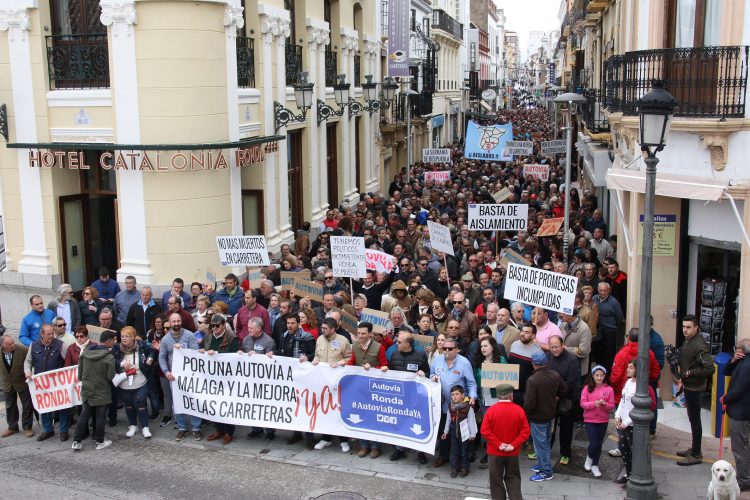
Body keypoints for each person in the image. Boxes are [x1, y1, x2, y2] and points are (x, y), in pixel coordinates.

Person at [430, 336, 477, 468]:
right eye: (444, 348)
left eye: (450, 348)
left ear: (457, 350)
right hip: (443, 404)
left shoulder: (464, 363)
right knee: (444, 431)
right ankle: (443, 456)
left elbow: (471, 384)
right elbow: (431, 373)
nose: (447, 351)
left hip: (460, 406)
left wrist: (472, 397)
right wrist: (433, 376)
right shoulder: (437, 360)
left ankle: (463, 460)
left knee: (461, 434)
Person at [676, 314, 715, 466]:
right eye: (683, 327)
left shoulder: (700, 345)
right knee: (693, 418)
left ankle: (696, 454)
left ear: (696, 328)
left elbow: (709, 368)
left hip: (695, 387)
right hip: (689, 385)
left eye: (688, 327)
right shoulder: (689, 340)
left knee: (695, 419)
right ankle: (694, 448)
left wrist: (690, 373)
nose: (685, 330)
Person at [481, 384, 530, 500]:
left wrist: (498, 444)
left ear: (498, 396)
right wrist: (513, 445)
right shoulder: (519, 410)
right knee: (513, 478)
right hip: (512, 453)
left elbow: (484, 430)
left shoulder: (491, 410)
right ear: (511, 395)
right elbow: (526, 431)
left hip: (495, 452)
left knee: (496, 480)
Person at [309, 318, 352, 452]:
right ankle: (326, 438)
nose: (322, 330)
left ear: (333, 329)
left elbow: (350, 358)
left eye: (325, 328)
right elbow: (317, 355)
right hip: (323, 381)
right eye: (322, 328)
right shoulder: (319, 339)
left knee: (338, 409)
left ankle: (343, 440)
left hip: (337, 382)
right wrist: (315, 360)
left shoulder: (343, 341)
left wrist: (339, 363)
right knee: (324, 410)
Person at [386, 331, 429, 463]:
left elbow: (427, 371)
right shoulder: (394, 354)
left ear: (408, 344)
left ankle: (420, 452)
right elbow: (390, 371)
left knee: (416, 423)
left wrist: (424, 372)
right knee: (399, 422)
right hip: (398, 397)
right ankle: (399, 449)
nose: (396, 344)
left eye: (399, 342)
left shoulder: (420, 355)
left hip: (414, 397)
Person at [159, 312, 202, 442]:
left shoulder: (189, 335)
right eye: (174, 321)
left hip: (190, 375)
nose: (176, 324)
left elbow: (195, 352)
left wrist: (182, 347)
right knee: (177, 402)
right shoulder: (166, 339)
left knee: (194, 401)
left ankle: (196, 428)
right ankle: (182, 428)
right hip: (175, 377)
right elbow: (162, 357)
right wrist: (167, 372)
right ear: (170, 323)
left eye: (178, 321)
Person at [524, 351, 566, 482]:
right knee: (546, 443)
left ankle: (546, 472)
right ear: (546, 363)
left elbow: (529, 403)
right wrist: (555, 397)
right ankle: (542, 465)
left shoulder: (533, 380)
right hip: (550, 415)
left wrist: (528, 412)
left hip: (537, 418)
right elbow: (564, 389)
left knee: (540, 445)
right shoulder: (554, 374)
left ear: (533, 364)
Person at [71, 330, 116, 451]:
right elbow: (110, 377)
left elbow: (80, 374)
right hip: (102, 390)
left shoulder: (84, 353)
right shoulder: (109, 357)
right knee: (100, 415)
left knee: (84, 415)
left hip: (87, 389)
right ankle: (99, 441)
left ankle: (76, 441)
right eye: (114, 340)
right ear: (109, 341)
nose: (115, 342)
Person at [348, 321, 388, 458]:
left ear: (370, 334)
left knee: (374, 417)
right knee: (361, 416)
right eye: (358, 333)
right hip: (359, 387)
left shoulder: (379, 347)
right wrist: (342, 364)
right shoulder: (354, 346)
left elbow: (385, 367)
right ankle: (364, 445)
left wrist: (372, 369)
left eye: (363, 333)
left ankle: (376, 446)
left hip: (374, 388)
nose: (360, 336)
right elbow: (352, 363)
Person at [614, 359, 657, 485]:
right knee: (623, 448)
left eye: (631, 368)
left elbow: (639, 407)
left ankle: (635, 477)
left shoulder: (643, 386)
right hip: (622, 423)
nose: (627, 370)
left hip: (633, 425)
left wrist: (626, 422)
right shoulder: (628, 382)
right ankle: (628, 474)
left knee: (635, 451)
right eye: (628, 367)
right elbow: (623, 401)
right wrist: (617, 416)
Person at [24, 324, 69, 441]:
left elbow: (68, 362)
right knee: (44, 406)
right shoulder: (33, 346)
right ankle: (48, 429)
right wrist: (28, 372)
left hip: (58, 382)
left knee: (62, 406)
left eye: (52, 333)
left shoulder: (61, 345)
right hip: (41, 384)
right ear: (41, 334)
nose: (51, 336)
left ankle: (64, 430)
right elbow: (27, 362)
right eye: (48, 334)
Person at [111, 326, 155, 440]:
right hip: (124, 382)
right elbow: (110, 360)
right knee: (129, 405)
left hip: (140, 380)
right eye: (122, 336)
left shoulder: (140, 344)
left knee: (141, 403)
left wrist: (149, 360)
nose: (124, 338)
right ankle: (133, 426)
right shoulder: (117, 347)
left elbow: (151, 350)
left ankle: (145, 427)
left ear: (133, 337)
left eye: (127, 336)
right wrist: (121, 364)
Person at [201, 315, 239, 445]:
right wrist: (202, 352)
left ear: (223, 325)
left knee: (226, 405)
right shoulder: (208, 337)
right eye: (212, 326)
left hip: (226, 378)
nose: (214, 328)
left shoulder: (232, 338)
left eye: (217, 325)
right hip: (212, 377)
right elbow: (202, 349)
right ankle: (218, 429)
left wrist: (216, 353)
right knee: (215, 403)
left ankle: (229, 432)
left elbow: (234, 356)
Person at [546, 335, 580, 466]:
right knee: (550, 426)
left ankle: (565, 453)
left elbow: (571, 382)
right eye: (552, 347)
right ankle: (547, 449)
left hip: (566, 398)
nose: (554, 350)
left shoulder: (572, 360)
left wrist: (559, 395)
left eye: (557, 347)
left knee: (566, 428)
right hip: (551, 398)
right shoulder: (548, 357)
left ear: (563, 346)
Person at [722, 338, 750, 492]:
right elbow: (726, 372)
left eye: (737, 348)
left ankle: (744, 480)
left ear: (742, 350)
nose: (735, 350)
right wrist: (732, 361)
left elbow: (738, 390)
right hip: (742, 411)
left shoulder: (746, 365)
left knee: (740, 448)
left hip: (741, 413)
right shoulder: (741, 361)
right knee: (744, 446)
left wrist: (725, 398)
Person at [580, 365, 615, 478]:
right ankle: (589, 459)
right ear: (593, 376)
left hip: (603, 420)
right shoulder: (586, 388)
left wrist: (605, 404)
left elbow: (612, 406)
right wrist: (593, 404)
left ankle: (595, 465)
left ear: (605, 376)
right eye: (597, 375)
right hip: (590, 419)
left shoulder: (609, 389)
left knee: (599, 443)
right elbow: (582, 404)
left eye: (601, 375)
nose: (599, 377)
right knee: (593, 442)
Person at [610, 328, 660, 404]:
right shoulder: (649, 353)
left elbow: (616, 376)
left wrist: (613, 388)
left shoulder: (621, 354)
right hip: (643, 392)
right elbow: (655, 372)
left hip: (623, 394)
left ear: (629, 338)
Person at [1, 335, 34, 438]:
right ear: (3, 345)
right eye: (9, 344)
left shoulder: (23, 350)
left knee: (27, 405)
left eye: (13, 342)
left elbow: (32, 361)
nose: (12, 345)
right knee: (10, 406)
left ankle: (27, 427)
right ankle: (12, 427)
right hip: (8, 384)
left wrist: (30, 373)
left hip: (22, 383)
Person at [442, 385, 477, 478]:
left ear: (462, 395)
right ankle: (454, 467)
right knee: (454, 450)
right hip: (454, 431)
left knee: (464, 450)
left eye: (457, 394)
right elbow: (448, 420)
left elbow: (471, 421)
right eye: (452, 394)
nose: (454, 396)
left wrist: (473, 433)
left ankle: (465, 467)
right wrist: (445, 432)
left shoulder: (468, 407)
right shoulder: (450, 406)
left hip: (464, 432)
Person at [592, 282, 623, 371]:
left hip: (609, 332)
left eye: (605, 290)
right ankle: (599, 371)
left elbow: (619, 318)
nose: (602, 292)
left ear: (609, 291)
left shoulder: (614, 302)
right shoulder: (594, 299)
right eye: (600, 290)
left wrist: (612, 326)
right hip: (598, 331)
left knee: (609, 354)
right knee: (598, 353)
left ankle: (609, 373)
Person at [559, 308, 592, 378]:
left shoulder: (584, 329)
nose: (561, 315)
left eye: (563, 314)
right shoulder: (563, 324)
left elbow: (584, 351)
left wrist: (566, 349)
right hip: (565, 365)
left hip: (578, 367)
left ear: (570, 315)